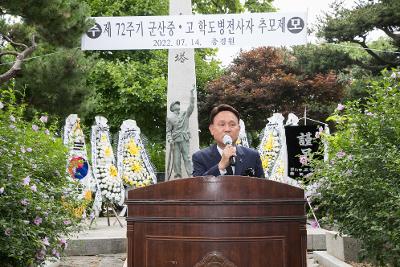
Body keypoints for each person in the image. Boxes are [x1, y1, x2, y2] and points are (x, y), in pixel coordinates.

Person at [192, 104, 264, 178]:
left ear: (239, 129)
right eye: (222, 124)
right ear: (212, 129)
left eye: (232, 124)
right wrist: (221, 166)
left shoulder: (252, 156)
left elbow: (263, 186)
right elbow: (198, 186)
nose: (227, 129)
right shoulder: (200, 157)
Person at [166, 86, 195, 179]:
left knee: (187, 158)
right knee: (176, 160)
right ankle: (177, 175)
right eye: (176, 104)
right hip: (175, 140)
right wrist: (170, 139)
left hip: (184, 138)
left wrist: (191, 94)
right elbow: (168, 131)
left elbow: (191, 106)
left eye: (178, 104)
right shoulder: (170, 118)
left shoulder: (185, 114)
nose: (178, 105)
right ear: (172, 107)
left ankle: (190, 174)